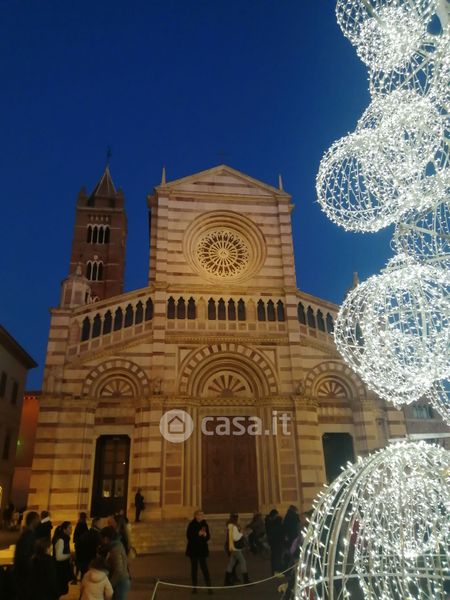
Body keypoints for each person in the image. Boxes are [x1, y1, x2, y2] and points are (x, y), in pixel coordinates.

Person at [13, 510, 40, 599]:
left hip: (22, 573)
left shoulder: (27, 534)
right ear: (33, 520)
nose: (39, 521)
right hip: (24, 575)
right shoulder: (29, 535)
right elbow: (25, 556)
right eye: (37, 519)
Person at [185, 509, 213, 594]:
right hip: (193, 550)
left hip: (202, 550)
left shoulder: (205, 524)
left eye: (202, 515)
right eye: (200, 515)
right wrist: (198, 534)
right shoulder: (191, 524)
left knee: (205, 568)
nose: (201, 516)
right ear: (196, 516)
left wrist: (205, 535)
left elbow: (208, 537)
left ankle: (209, 587)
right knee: (194, 569)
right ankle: (194, 588)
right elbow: (189, 536)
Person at [100, 526, 130, 600]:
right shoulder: (116, 545)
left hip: (120, 583)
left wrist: (110, 584)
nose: (101, 541)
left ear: (106, 538)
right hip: (121, 581)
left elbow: (118, 570)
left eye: (102, 539)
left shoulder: (115, 549)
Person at [224, 513, 249, 586]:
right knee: (243, 562)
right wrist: (241, 533)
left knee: (231, 563)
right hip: (235, 547)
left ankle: (227, 581)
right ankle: (246, 580)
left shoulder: (231, 526)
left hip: (233, 547)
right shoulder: (233, 527)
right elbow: (235, 537)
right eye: (238, 518)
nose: (239, 519)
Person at [52, 521, 73, 597]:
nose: (71, 530)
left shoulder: (65, 538)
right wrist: (70, 555)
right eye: (69, 528)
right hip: (60, 569)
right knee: (59, 590)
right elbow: (58, 557)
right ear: (64, 530)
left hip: (62, 568)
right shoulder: (61, 540)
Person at [265, 509, 284, 574]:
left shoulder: (271, 524)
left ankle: (274, 571)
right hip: (277, 543)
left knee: (274, 557)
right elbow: (281, 535)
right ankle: (277, 570)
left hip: (273, 543)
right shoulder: (278, 526)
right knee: (277, 557)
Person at [74, 512, 89, 581]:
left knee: (78, 562)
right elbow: (86, 535)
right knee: (82, 562)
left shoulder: (78, 525)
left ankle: (76, 576)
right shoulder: (83, 525)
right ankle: (81, 576)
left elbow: (75, 536)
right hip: (83, 547)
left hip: (78, 546)